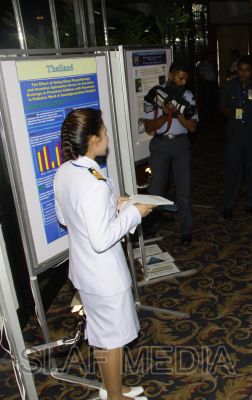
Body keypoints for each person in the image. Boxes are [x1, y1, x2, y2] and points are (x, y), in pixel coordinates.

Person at [54, 109, 154, 400]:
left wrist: (113, 206)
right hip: (105, 276)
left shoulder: (65, 171)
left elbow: (65, 217)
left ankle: (112, 388)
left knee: (100, 335)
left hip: (84, 272)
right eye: (105, 132)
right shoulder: (94, 183)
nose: (108, 136)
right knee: (113, 340)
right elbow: (101, 240)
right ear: (93, 139)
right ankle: (115, 396)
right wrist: (133, 213)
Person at [143, 62, 198, 245]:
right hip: (160, 145)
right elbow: (149, 127)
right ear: (170, 75)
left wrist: (178, 114)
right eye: (180, 78)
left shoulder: (188, 97)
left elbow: (192, 127)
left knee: (184, 190)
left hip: (181, 144)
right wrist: (165, 114)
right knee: (155, 190)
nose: (183, 82)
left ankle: (186, 230)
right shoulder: (155, 95)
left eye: (186, 79)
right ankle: (151, 226)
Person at [220, 55, 252, 219]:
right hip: (234, 134)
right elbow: (222, 106)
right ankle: (228, 204)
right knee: (232, 170)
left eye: (247, 70)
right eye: (241, 70)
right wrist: (233, 115)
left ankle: (250, 202)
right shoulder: (229, 85)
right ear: (237, 69)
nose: (243, 73)